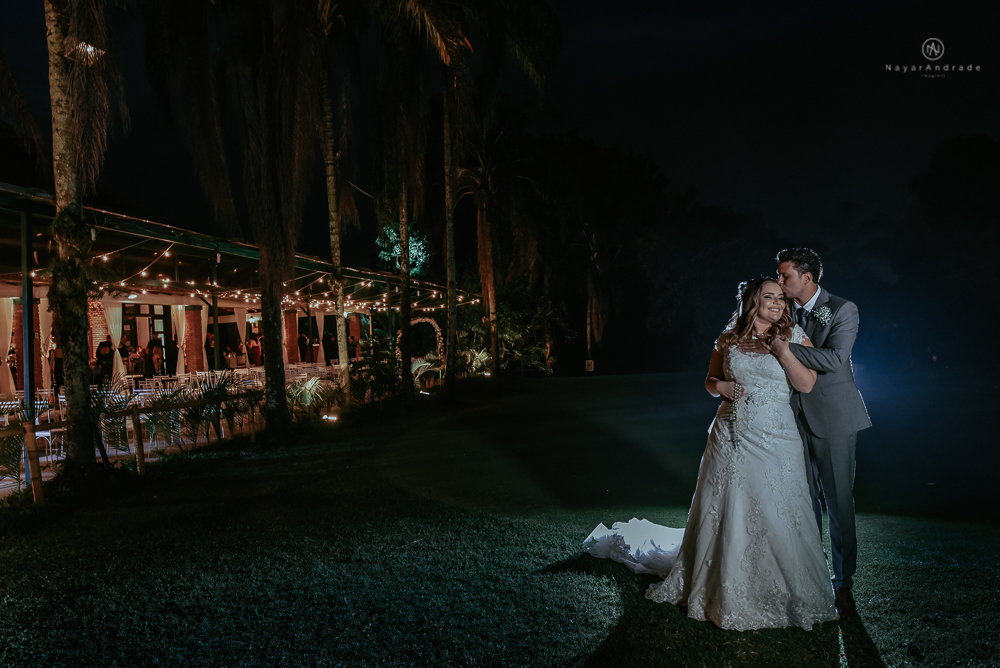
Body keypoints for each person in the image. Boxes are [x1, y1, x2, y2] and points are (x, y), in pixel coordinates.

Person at [585, 277, 838, 631]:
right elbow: (709, 380)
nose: (778, 303)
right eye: (770, 297)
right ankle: (721, 583)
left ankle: (785, 589)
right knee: (728, 505)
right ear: (752, 302)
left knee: (778, 506)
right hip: (729, 434)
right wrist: (721, 387)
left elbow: (807, 384)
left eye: (781, 298)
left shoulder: (794, 337)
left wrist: (784, 352)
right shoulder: (728, 340)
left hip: (777, 437)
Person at [739, 248, 871, 618]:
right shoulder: (784, 310)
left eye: (785, 277)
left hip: (833, 421)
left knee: (839, 503)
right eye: (778, 278)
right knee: (802, 501)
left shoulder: (842, 309)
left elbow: (832, 359)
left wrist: (784, 348)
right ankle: (812, 576)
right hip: (789, 421)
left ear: (807, 278)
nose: (779, 283)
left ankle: (843, 584)